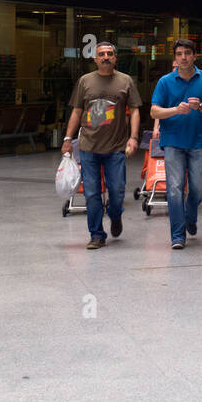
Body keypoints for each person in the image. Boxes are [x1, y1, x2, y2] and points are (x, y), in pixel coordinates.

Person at [60, 41, 142, 250]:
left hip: (116, 148)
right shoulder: (85, 81)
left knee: (116, 192)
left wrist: (133, 138)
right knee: (92, 194)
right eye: (101, 54)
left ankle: (115, 215)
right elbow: (77, 111)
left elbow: (134, 110)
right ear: (95, 59)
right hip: (89, 148)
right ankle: (96, 235)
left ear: (115, 58)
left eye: (109, 54)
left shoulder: (125, 81)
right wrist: (67, 139)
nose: (105, 57)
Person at [150, 40, 202, 249]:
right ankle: (177, 235)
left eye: (187, 53)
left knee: (199, 189)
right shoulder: (165, 81)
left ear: (194, 56)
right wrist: (175, 110)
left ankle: (190, 215)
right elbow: (154, 111)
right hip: (172, 141)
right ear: (175, 57)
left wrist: (199, 106)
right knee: (174, 189)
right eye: (180, 54)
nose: (183, 57)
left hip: (198, 141)